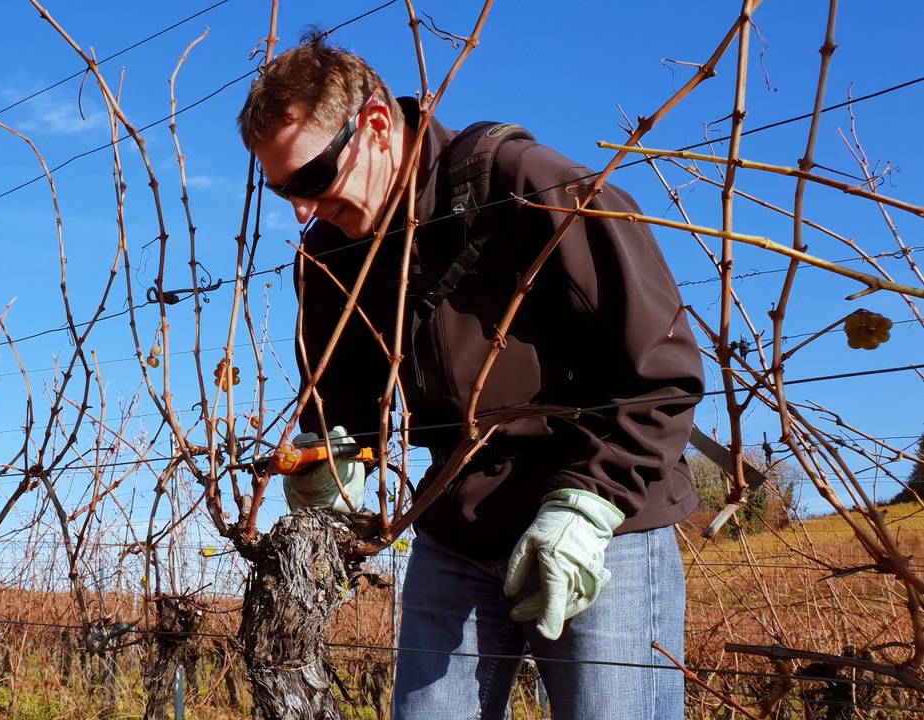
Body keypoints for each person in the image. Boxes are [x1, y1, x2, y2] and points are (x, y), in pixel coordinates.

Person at [237, 35, 703, 719]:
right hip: (455, 527)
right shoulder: (331, 252)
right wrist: (334, 459)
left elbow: (660, 372)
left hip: (604, 523)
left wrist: (589, 505)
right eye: (280, 191)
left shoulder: (521, 184)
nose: (300, 210)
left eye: (311, 180)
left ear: (372, 126)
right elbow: (342, 403)